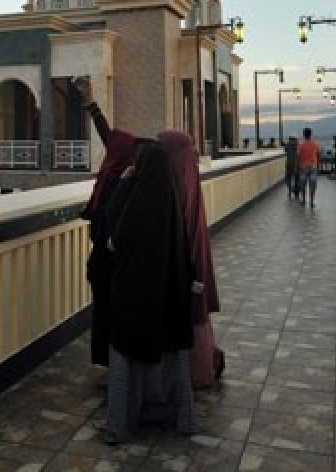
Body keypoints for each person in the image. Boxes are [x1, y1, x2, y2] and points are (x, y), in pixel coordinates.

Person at [102, 141, 197, 444]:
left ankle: (124, 420)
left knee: (128, 355)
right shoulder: (171, 199)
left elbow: (113, 235)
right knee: (168, 355)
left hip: (133, 295)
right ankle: (169, 413)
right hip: (168, 296)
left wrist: (124, 182)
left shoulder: (133, 197)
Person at [74, 76, 137, 369]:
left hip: (110, 259)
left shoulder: (117, 181)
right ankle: (111, 360)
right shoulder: (122, 170)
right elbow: (107, 133)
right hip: (109, 258)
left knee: (107, 310)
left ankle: (109, 362)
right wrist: (91, 103)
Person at [157, 129, 225, 388]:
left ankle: (193, 371)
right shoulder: (187, 172)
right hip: (190, 258)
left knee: (185, 311)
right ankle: (203, 364)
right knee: (193, 310)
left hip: (183, 261)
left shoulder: (178, 180)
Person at [297, 127, 321, 208]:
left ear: (304, 135)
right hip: (313, 166)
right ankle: (311, 201)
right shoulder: (315, 144)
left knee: (303, 184)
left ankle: (304, 200)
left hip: (303, 167)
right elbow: (318, 155)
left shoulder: (301, 145)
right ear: (311, 134)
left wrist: (298, 167)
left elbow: (298, 156)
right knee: (313, 184)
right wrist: (318, 166)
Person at [284, 136, 300, 200]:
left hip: (289, 164)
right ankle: (296, 192)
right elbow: (298, 155)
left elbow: (285, 150)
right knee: (296, 178)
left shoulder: (287, 145)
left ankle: (290, 190)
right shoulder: (297, 146)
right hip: (296, 164)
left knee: (288, 178)